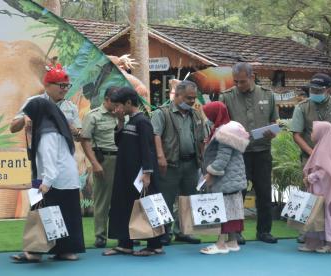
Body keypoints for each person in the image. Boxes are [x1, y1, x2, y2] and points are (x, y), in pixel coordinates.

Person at [10, 98, 85, 263]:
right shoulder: (56, 127)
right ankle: (66, 251)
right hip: (63, 179)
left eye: (30, 115)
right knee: (66, 215)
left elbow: (50, 162)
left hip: (52, 180)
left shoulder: (47, 133)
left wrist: (45, 185)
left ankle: (34, 251)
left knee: (42, 214)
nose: (29, 119)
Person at [219, 62, 278, 244]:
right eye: (236, 81)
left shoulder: (268, 95)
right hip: (239, 153)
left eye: (242, 81)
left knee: (264, 192)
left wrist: (272, 131)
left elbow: (274, 121)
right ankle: (235, 232)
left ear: (252, 77)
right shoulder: (226, 97)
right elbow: (221, 126)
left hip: (262, 151)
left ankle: (264, 231)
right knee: (237, 193)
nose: (238, 85)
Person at [104, 87, 164, 257]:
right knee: (125, 206)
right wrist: (120, 122)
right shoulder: (129, 121)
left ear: (129, 103)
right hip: (126, 174)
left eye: (119, 105)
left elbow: (147, 149)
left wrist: (147, 172)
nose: (117, 109)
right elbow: (119, 142)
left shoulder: (142, 121)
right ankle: (125, 244)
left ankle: (155, 245)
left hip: (140, 175)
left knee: (148, 206)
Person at [151, 80, 205, 245]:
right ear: (177, 95)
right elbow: (155, 135)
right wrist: (160, 157)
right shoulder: (162, 113)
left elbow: (201, 137)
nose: (192, 101)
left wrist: (201, 158)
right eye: (189, 98)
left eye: (193, 98)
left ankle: (184, 232)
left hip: (191, 163)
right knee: (165, 199)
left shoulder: (195, 114)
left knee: (188, 199)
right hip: (169, 163)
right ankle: (164, 233)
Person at [200, 102, 249, 254]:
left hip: (225, 179)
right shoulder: (231, 128)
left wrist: (210, 172)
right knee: (233, 209)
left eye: (209, 115)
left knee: (222, 209)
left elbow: (222, 159)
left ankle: (221, 243)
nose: (207, 118)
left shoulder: (224, 132)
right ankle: (232, 241)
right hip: (233, 177)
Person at [299, 121, 331, 253]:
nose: (312, 133)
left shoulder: (324, 149)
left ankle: (330, 243)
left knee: (325, 215)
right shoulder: (322, 147)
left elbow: (326, 171)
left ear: (322, 133)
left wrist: (310, 177)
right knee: (317, 215)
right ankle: (314, 242)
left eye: (314, 131)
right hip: (318, 189)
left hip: (323, 191)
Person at [81, 86, 119, 248]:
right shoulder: (93, 116)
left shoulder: (122, 115)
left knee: (122, 199)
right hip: (104, 160)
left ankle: (122, 234)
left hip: (122, 159)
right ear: (106, 100)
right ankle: (100, 235)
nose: (118, 106)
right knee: (102, 200)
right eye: (115, 102)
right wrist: (94, 163)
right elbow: (85, 140)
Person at [291, 73, 331, 166]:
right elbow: (296, 135)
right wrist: (312, 153)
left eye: (318, 90)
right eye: (312, 89)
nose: (314, 92)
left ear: (329, 90)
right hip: (311, 158)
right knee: (311, 180)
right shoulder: (302, 107)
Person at [10, 64, 81, 137]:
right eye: (62, 86)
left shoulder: (71, 107)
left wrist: (76, 132)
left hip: (64, 147)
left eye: (67, 86)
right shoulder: (33, 102)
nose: (66, 89)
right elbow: (13, 129)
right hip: (40, 147)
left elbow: (79, 136)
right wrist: (26, 116)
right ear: (48, 85)